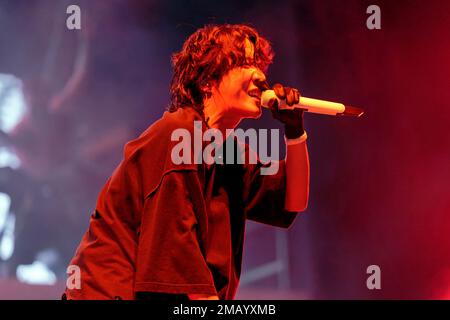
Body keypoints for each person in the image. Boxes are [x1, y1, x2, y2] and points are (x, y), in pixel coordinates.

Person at [63, 24, 310, 300]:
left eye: (259, 66)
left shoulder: (228, 151)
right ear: (207, 81)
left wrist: (295, 131)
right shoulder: (177, 137)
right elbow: (177, 256)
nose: (259, 77)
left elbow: (293, 200)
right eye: (243, 64)